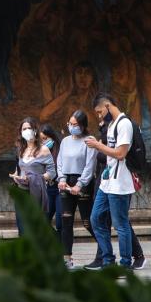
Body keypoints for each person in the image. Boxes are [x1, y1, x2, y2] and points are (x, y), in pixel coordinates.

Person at [85, 92, 142, 270]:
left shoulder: (124, 124)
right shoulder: (111, 126)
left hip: (120, 182)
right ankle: (108, 260)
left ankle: (125, 264)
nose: (99, 116)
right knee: (95, 219)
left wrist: (98, 146)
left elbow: (120, 153)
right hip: (107, 181)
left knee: (120, 224)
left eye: (100, 112)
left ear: (108, 106)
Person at [56, 110, 98, 269]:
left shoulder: (89, 141)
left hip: (83, 183)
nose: (72, 127)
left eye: (75, 124)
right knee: (66, 220)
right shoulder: (65, 141)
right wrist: (61, 179)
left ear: (82, 126)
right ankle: (67, 258)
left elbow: (89, 165)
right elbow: (59, 161)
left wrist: (79, 185)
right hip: (65, 182)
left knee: (88, 222)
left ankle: (104, 251)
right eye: (70, 124)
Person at [9, 117, 56, 236]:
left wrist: (34, 178)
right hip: (21, 192)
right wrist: (15, 176)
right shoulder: (21, 149)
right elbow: (19, 169)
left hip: (36, 193)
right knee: (22, 229)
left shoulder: (44, 149)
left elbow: (52, 173)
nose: (27, 130)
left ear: (35, 130)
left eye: (29, 128)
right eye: (24, 129)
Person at [40, 124, 62, 237]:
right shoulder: (41, 152)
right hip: (48, 187)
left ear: (52, 137)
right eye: (41, 140)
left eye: (45, 138)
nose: (43, 142)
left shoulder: (60, 150)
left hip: (59, 188)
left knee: (60, 221)